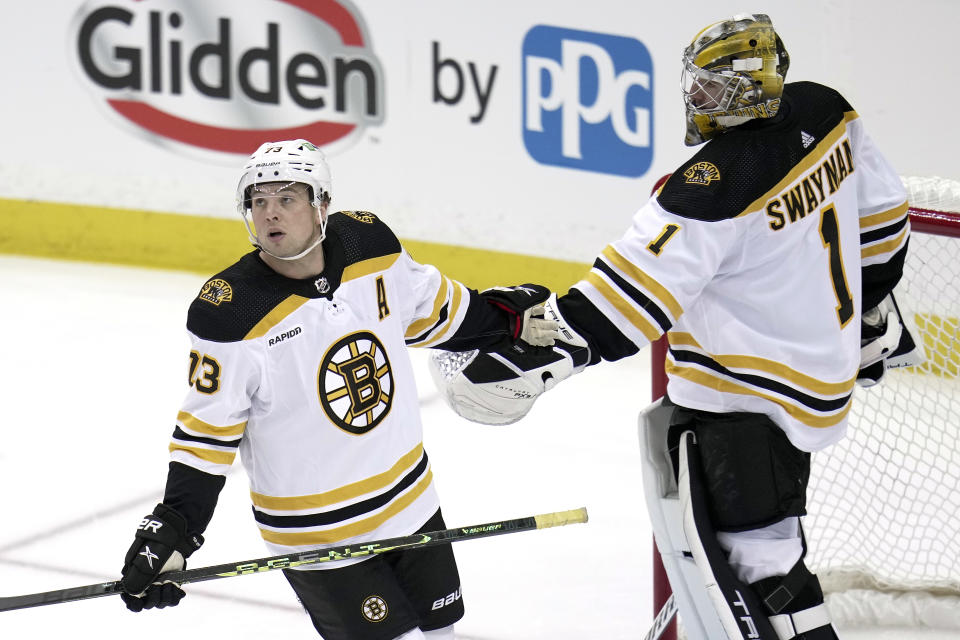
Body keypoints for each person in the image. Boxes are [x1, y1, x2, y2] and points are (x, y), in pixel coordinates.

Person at [430, 14, 916, 640]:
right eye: (695, 85)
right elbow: (883, 217)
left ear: (752, 86)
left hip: (743, 393)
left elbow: (623, 304)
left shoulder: (711, 186)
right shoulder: (826, 112)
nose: (696, 99)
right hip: (822, 367)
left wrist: (533, 346)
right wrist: (868, 310)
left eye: (713, 88)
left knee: (760, 566)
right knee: (764, 552)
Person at [118, 138, 558, 640]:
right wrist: (175, 528)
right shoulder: (229, 311)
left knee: (443, 634)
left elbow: (433, 307)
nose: (270, 214)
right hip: (319, 533)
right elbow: (206, 435)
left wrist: (505, 321)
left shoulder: (368, 246)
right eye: (259, 201)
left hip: (411, 499)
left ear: (322, 204)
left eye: (287, 198)